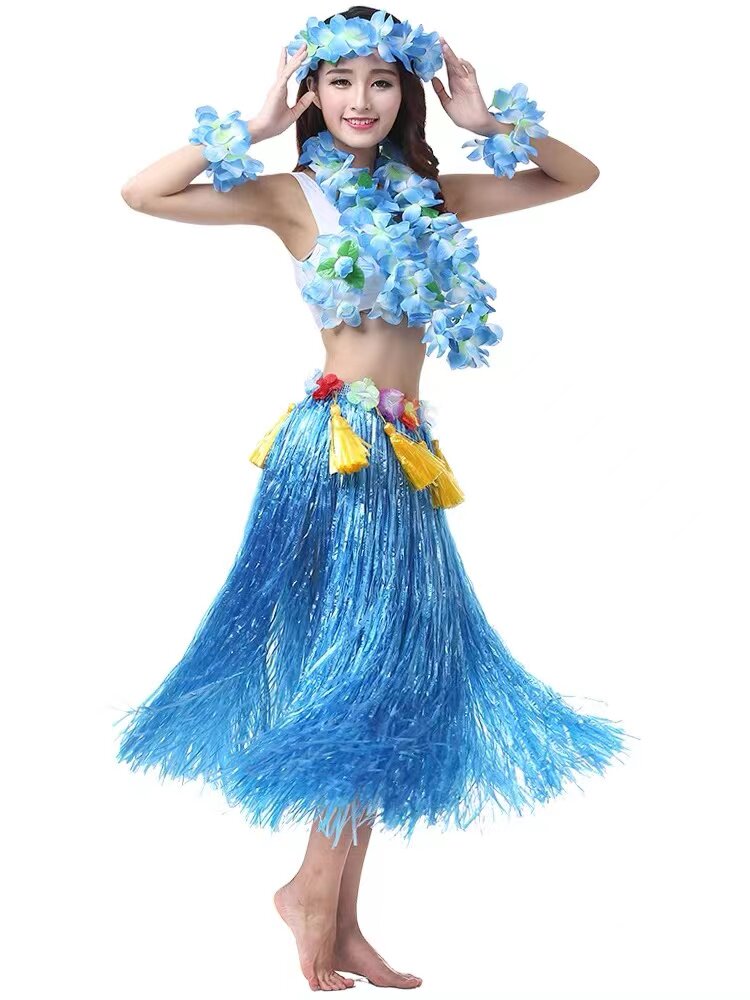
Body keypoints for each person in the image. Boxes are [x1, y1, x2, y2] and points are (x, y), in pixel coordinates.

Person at [116, 6, 634, 992]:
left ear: (407, 94)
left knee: (385, 678)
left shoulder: (433, 195)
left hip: (405, 455)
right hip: (339, 455)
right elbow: (144, 193)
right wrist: (255, 122)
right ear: (313, 92)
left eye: (382, 80)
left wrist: (485, 119)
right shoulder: (291, 195)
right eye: (341, 79)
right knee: (365, 673)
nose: (361, 99)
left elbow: (576, 177)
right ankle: (313, 897)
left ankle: (337, 913)